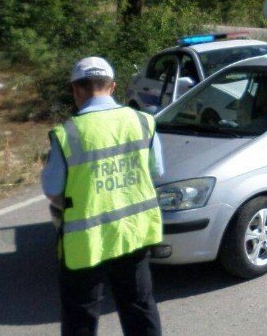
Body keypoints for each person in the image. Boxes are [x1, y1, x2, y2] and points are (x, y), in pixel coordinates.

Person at [41, 57, 164, 335]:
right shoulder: (143, 122)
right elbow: (156, 171)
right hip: (133, 233)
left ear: (76, 90)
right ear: (113, 87)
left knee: (81, 316)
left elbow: (51, 190)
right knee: (139, 307)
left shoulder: (68, 133)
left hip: (86, 241)